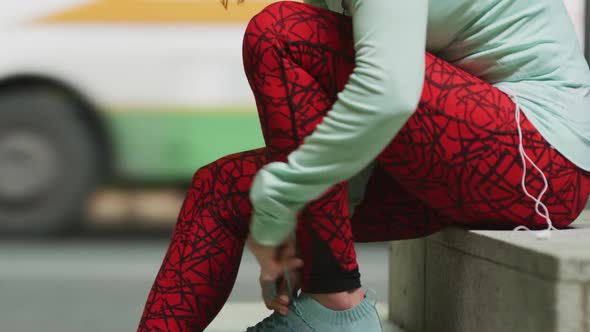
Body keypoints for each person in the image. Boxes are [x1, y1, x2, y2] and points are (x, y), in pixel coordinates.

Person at [137, 0, 590, 331]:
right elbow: (330, 117)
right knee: (220, 189)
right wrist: (310, 241)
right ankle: (330, 306)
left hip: (540, 160)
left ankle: (337, 309)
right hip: (457, 163)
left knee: (277, 31)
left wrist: (279, 209)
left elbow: (387, 94)